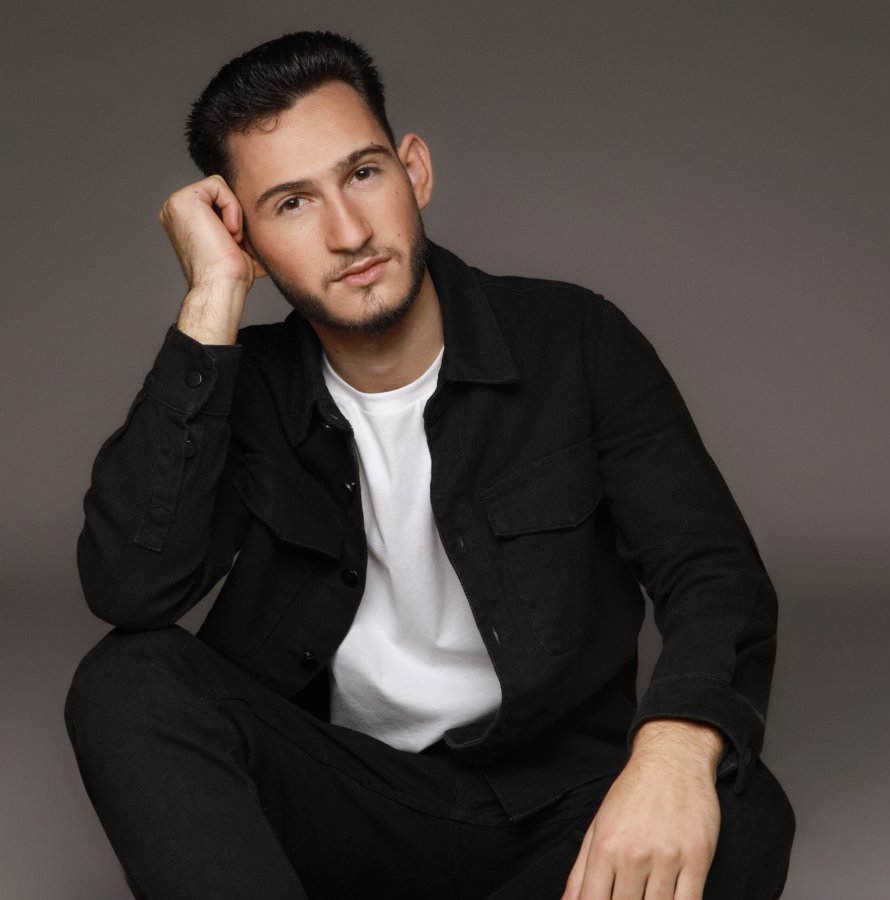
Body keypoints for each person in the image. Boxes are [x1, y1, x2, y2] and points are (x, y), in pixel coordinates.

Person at [65, 30, 794, 900]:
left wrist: (673, 750)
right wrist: (211, 297)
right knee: (125, 682)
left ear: (414, 171)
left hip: (555, 811)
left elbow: (713, 572)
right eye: (291, 204)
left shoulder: (576, 342)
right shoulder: (247, 388)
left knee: (742, 810)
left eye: (363, 173)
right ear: (245, 237)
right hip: (342, 804)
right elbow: (130, 589)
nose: (348, 233)